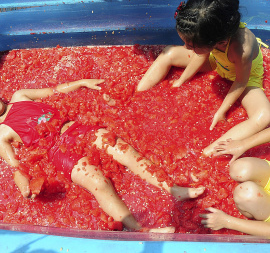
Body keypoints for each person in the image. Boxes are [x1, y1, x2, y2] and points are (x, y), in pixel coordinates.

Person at [0, 78, 205, 232]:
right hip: (57, 152)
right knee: (98, 182)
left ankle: (172, 188)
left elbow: (53, 91)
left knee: (126, 152)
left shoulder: (19, 96)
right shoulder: (1, 134)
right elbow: (16, 166)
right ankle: (140, 229)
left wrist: (81, 82)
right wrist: (25, 187)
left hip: (74, 128)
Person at [136, 0, 270, 156]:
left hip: (245, 77)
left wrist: (222, 110)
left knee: (264, 116)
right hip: (217, 61)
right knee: (169, 53)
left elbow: (241, 82)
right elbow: (202, 54)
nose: (186, 48)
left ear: (217, 41)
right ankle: (137, 95)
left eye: (191, 46)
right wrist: (182, 81)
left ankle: (209, 152)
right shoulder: (209, 33)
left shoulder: (241, 48)